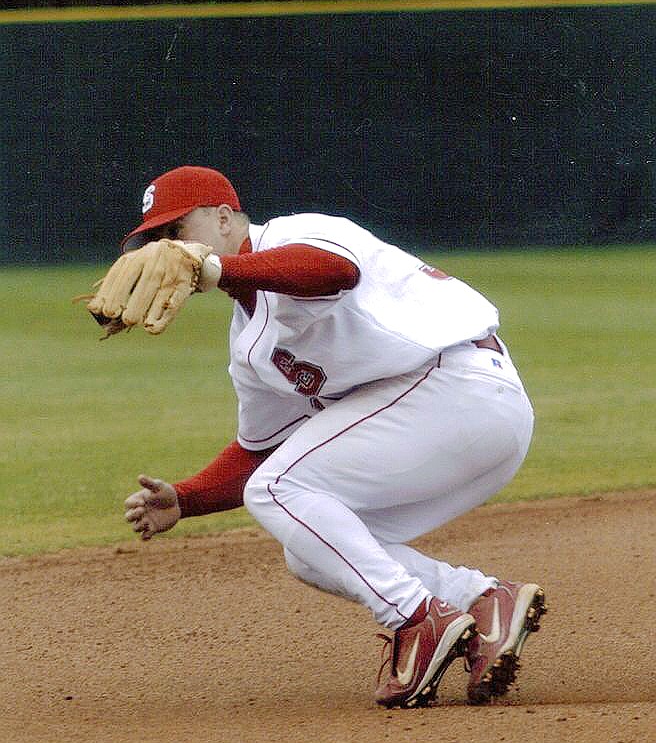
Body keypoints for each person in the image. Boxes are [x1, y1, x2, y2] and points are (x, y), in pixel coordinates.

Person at [122, 165, 546, 709]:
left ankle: (416, 619)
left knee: (277, 492)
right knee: (310, 546)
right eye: (154, 238)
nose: (164, 249)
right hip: (448, 424)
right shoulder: (249, 347)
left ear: (224, 218)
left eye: (175, 231)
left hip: (459, 387)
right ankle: (481, 600)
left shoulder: (296, 234)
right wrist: (186, 498)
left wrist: (217, 268)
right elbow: (261, 450)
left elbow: (331, 271)